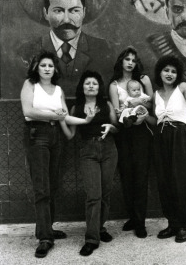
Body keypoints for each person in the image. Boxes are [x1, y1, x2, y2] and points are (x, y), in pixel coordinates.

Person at [20, 51, 92, 258]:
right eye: (43, 65)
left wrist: (85, 121)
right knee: (42, 188)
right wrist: (54, 115)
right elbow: (28, 110)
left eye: (50, 66)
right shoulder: (30, 85)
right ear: (36, 67)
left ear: (55, 69)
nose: (47, 69)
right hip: (37, 134)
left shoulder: (58, 89)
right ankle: (44, 238)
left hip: (55, 135)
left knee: (53, 185)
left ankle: (46, 228)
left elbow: (65, 117)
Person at [61, 70, 118, 257]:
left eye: (94, 83)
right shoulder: (76, 108)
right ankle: (91, 239)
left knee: (105, 193)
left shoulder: (106, 104)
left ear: (99, 87)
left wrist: (111, 127)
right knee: (94, 195)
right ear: (82, 87)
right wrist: (61, 119)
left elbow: (117, 127)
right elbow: (70, 135)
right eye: (87, 83)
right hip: (88, 152)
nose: (91, 86)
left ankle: (100, 228)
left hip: (109, 149)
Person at [19, 0, 113, 95]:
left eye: (74, 11)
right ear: (46, 13)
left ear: (84, 12)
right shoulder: (26, 50)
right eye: (58, 11)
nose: (67, 20)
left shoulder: (104, 48)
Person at [152, 55, 186, 243]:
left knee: (182, 182)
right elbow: (154, 118)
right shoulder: (156, 94)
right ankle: (172, 223)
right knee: (165, 181)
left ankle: (183, 226)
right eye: (166, 70)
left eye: (173, 71)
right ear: (160, 72)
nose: (170, 74)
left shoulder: (182, 88)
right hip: (161, 138)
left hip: (179, 137)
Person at [109, 46, 153, 238]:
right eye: (127, 59)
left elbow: (152, 103)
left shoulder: (143, 80)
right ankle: (133, 217)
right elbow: (117, 111)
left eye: (133, 60)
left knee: (141, 176)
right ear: (121, 61)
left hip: (142, 131)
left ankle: (141, 222)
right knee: (126, 175)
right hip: (124, 133)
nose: (130, 62)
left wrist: (139, 105)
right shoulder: (114, 85)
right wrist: (123, 111)